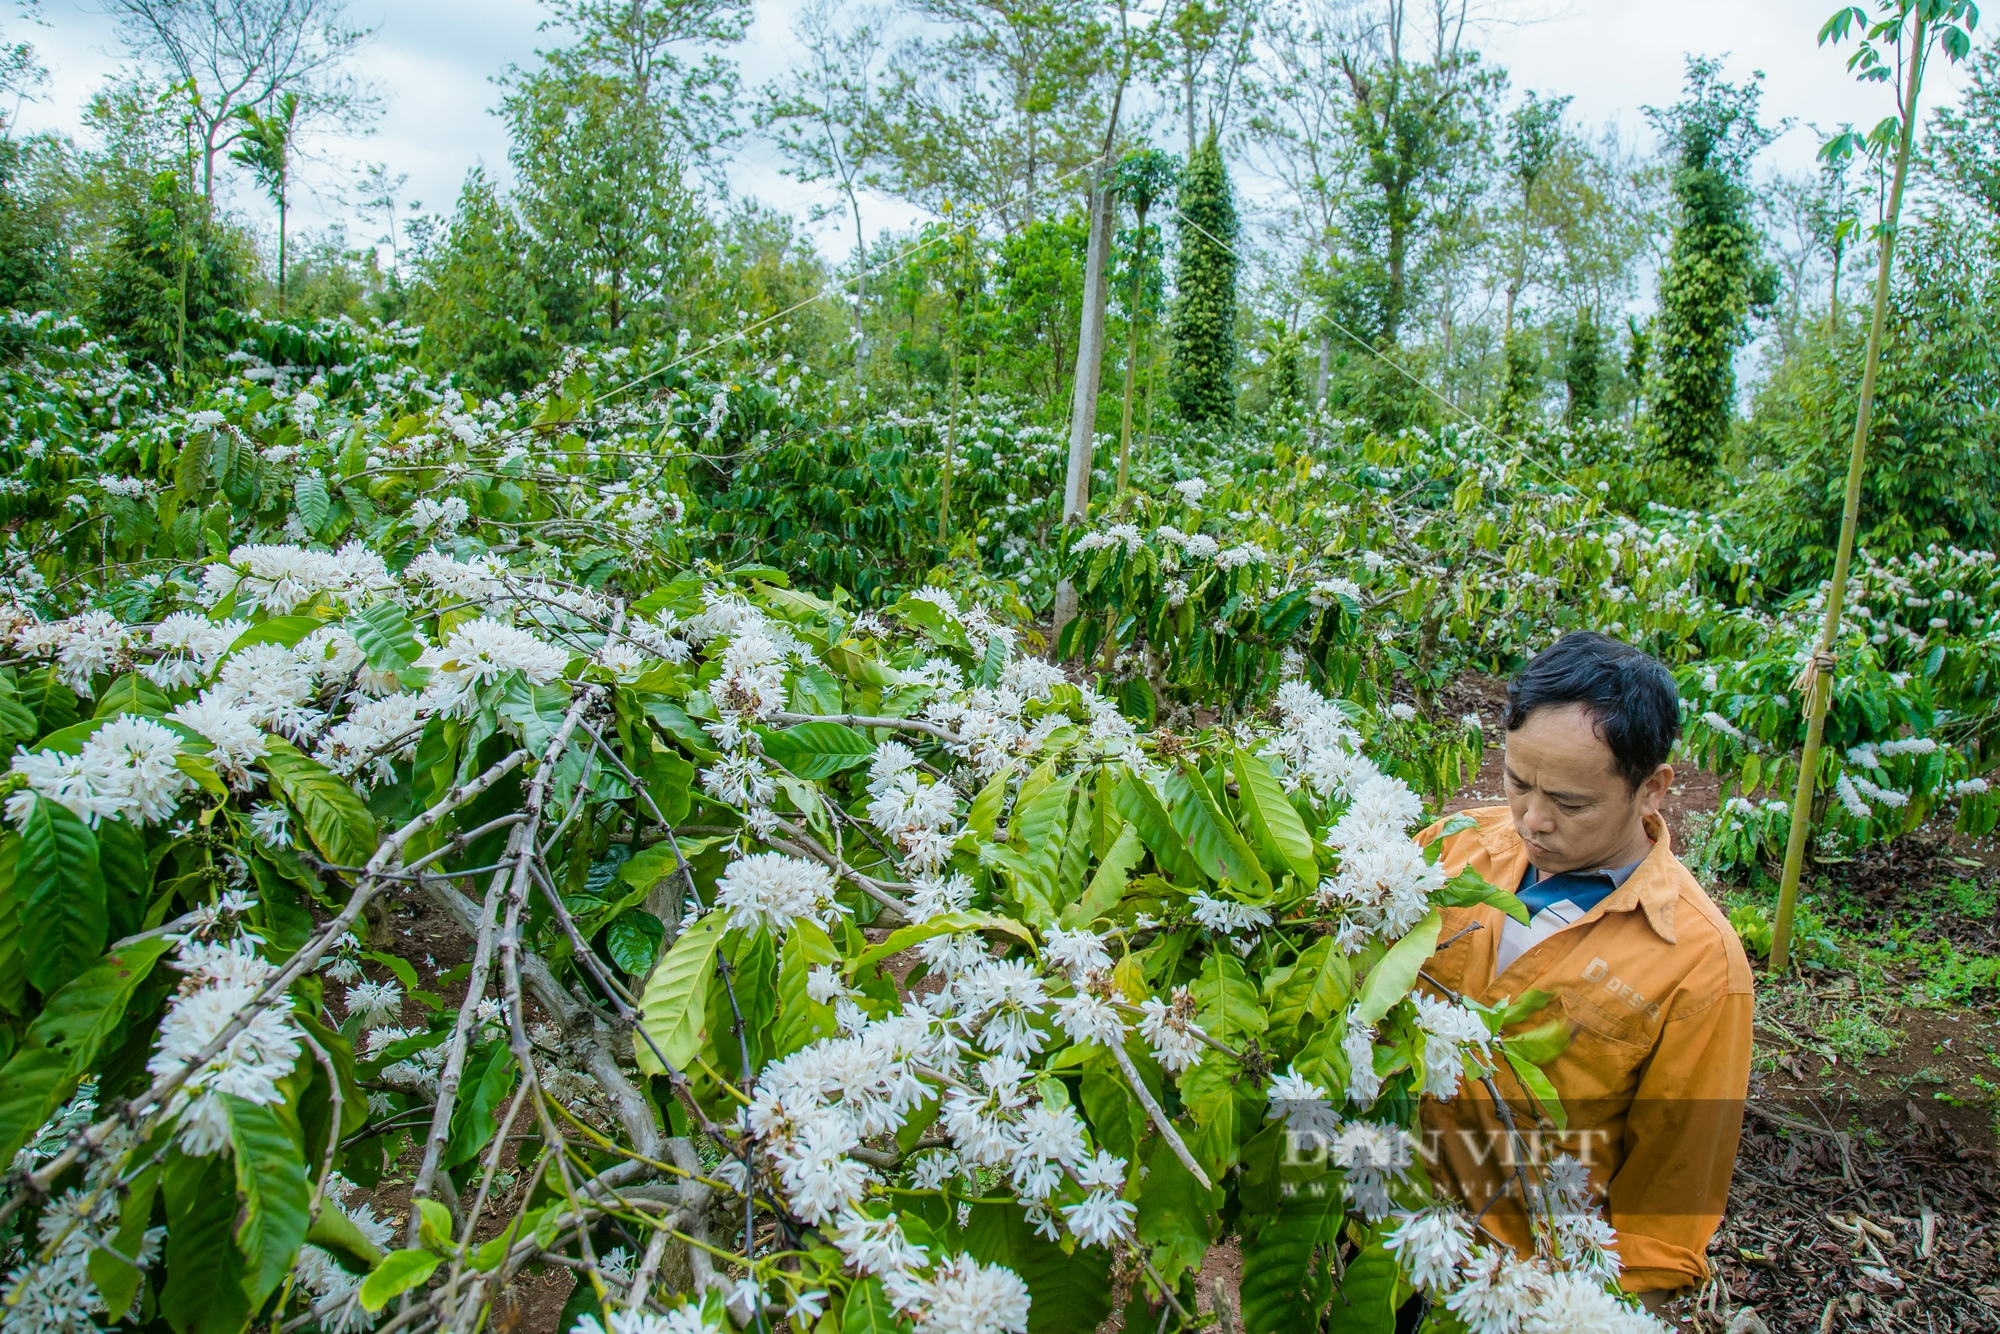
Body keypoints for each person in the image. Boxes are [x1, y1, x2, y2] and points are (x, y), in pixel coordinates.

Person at [1413, 631, 1753, 1314]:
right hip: (1387, 1237)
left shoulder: (1700, 967)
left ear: (1651, 789)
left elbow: (1668, 1205)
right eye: (1517, 783)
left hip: (1519, 1292)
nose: (1533, 820)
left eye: (1570, 803)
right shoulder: (1454, 849)